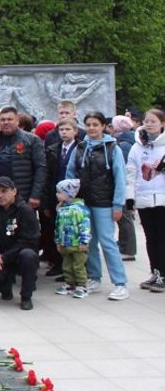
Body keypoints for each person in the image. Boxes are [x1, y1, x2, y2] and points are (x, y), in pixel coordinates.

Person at [65, 112, 129, 300]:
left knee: (107, 241)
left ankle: (120, 283)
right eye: (89, 124)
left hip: (105, 202)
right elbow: (70, 173)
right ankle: (94, 277)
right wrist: (68, 197)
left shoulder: (112, 148)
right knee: (88, 241)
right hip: (83, 203)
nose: (92, 128)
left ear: (103, 126)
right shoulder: (80, 147)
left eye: (95, 124)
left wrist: (118, 204)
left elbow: (120, 177)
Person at [0, 177, 40, 310]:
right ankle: (5, 289)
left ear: (14, 191)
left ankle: (26, 296)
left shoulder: (25, 211)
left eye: (4, 191)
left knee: (28, 255)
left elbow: (28, 240)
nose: (0, 195)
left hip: (18, 256)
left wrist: (4, 257)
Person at [126, 108, 165, 292]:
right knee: (151, 238)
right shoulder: (137, 146)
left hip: (163, 199)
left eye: (153, 121)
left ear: (162, 124)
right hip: (144, 197)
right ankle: (155, 271)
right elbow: (131, 172)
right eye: (146, 121)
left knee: (162, 237)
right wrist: (129, 197)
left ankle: (163, 275)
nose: (149, 124)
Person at [41, 119, 82, 278]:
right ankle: (59, 264)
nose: (64, 132)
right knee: (57, 230)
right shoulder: (53, 149)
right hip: (55, 195)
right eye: (61, 129)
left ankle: (76, 267)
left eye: (67, 129)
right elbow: (47, 175)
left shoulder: (80, 148)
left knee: (72, 231)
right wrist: (46, 201)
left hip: (74, 196)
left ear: (75, 131)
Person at [0, 107, 46, 210]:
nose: (6, 122)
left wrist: (35, 195)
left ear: (17, 121)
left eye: (10, 119)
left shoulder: (32, 140)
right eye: (3, 120)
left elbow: (41, 168)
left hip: (23, 194)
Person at [54, 179, 92, 298]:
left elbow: (85, 226)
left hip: (77, 244)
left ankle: (82, 285)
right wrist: (58, 241)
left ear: (68, 194)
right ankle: (69, 283)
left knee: (79, 266)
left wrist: (84, 241)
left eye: (59, 192)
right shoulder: (61, 210)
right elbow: (57, 226)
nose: (57, 194)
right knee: (67, 265)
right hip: (65, 243)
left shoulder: (79, 209)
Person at [111, 115, 137, 261]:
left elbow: (125, 168)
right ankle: (124, 245)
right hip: (127, 185)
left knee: (125, 217)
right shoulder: (129, 140)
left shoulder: (124, 144)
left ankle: (128, 249)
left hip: (125, 186)